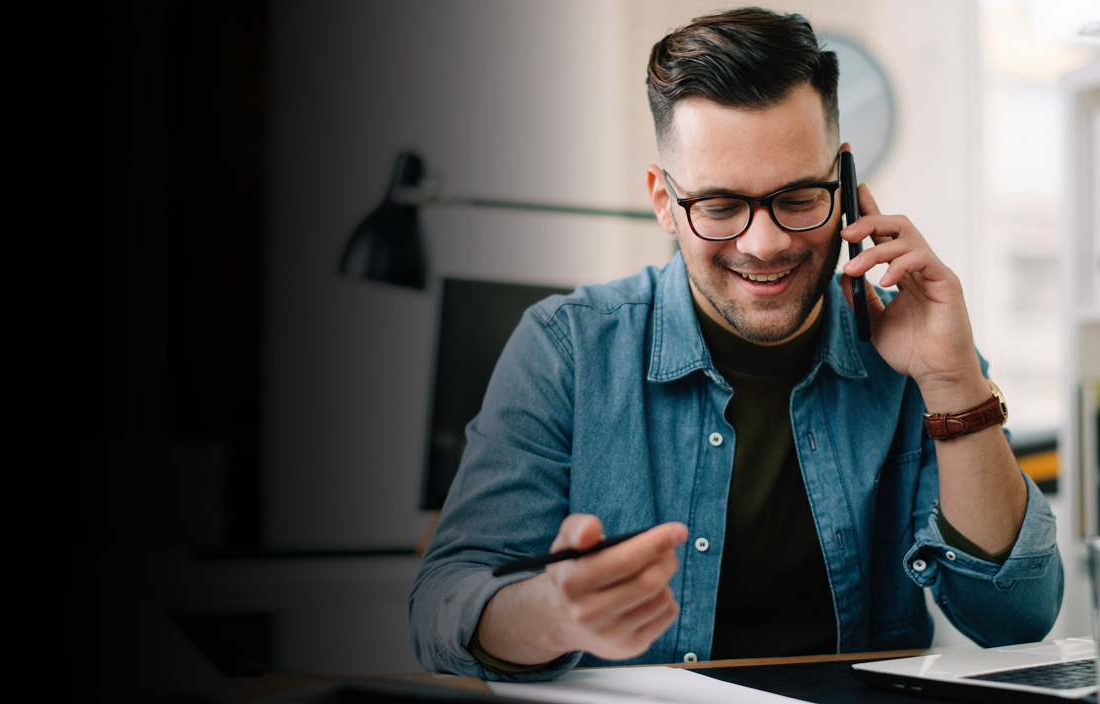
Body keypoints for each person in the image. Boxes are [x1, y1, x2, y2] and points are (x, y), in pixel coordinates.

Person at [409, 7, 1062, 681]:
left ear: (843, 184)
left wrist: (955, 385)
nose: (765, 243)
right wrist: (550, 613)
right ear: (664, 200)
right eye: (720, 207)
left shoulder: (921, 350)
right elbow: (439, 608)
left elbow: (1017, 620)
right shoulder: (567, 350)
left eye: (800, 197)